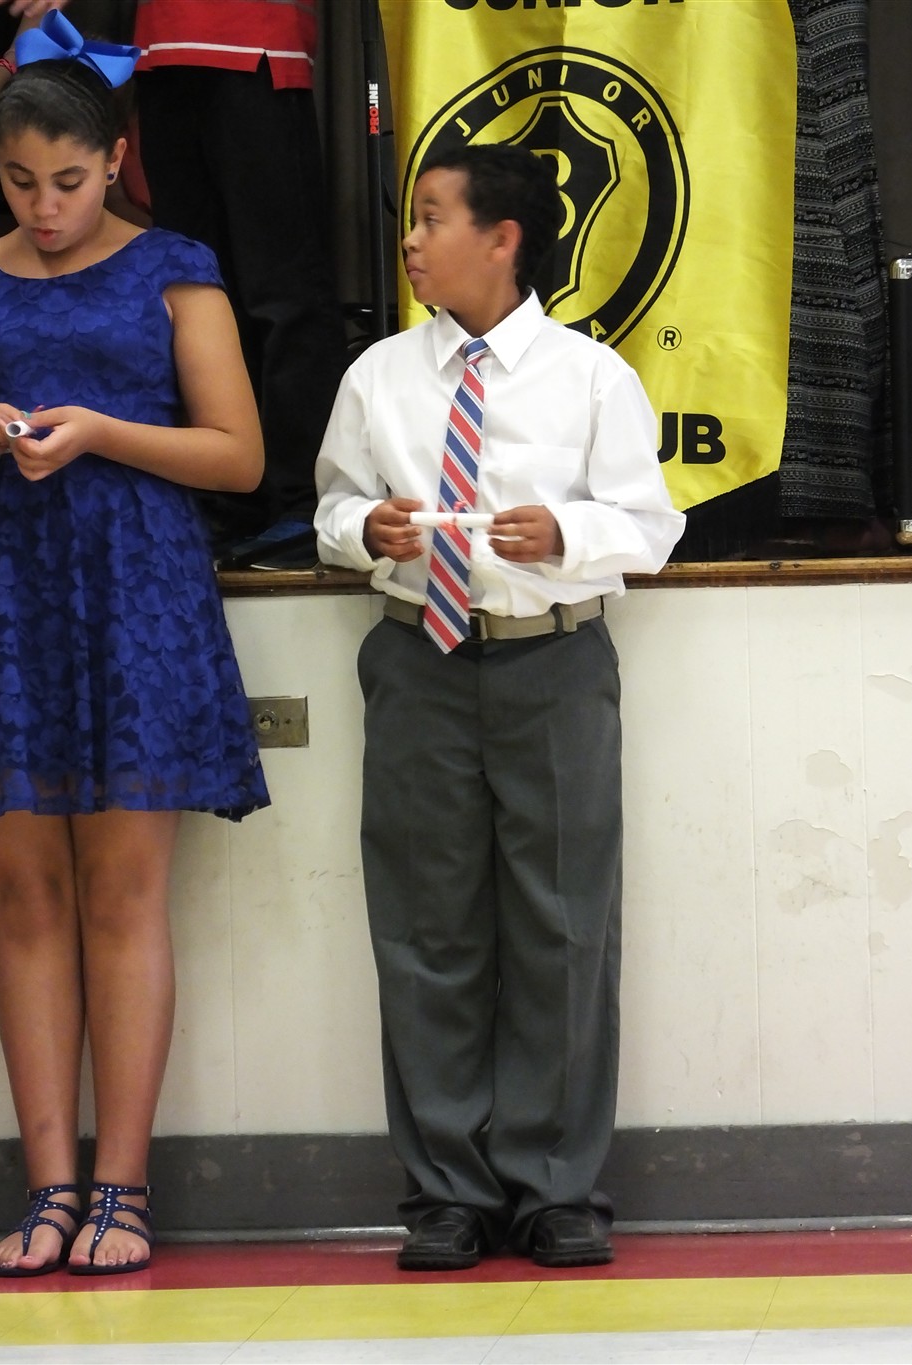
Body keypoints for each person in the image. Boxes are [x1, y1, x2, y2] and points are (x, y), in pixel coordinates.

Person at [314, 143, 686, 1270]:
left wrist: (565, 532)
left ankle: (555, 1188)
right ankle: (446, 1193)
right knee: (425, 927)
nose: (411, 240)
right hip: (417, 659)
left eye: (433, 218)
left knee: (563, 925)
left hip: (551, 662)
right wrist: (365, 529)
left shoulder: (591, 377)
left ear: (502, 238)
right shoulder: (379, 375)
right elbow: (331, 506)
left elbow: (650, 527)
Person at [0, 11, 270, 1277]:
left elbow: (238, 456)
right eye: (19, 182)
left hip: (134, 591)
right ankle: (46, 1188)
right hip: (1, 597)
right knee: (24, 901)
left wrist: (99, 430)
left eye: (69, 181)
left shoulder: (176, 267)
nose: (44, 209)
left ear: (116, 160)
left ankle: (122, 1190)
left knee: (124, 897)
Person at [133, 0, 347, 569]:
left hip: (252, 42)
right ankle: (228, 498)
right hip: (160, 52)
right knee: (196, 292)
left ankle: (304, 500)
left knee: (282, 292)